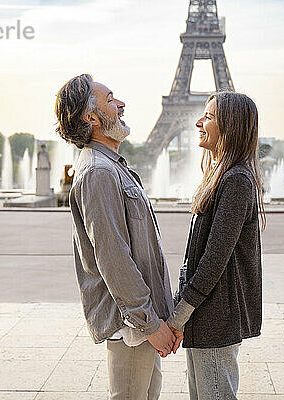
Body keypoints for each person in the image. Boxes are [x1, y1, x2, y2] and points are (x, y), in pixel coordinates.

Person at [55, 73, 180, 400]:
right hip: (133, 327)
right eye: (111, 99)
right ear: (92, 118)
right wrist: (150, 324)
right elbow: (114, 260)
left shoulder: (110, 166)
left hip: (140, 320)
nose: (121, 103)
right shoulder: (99, 171)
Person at [167, 91, 264, 399]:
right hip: (208, 314)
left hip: (216, 317)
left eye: (208, 117)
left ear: (230, 126)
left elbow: (213, 259)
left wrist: (179, 313)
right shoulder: (222, 175)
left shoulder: (236, 180)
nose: (198, 122)